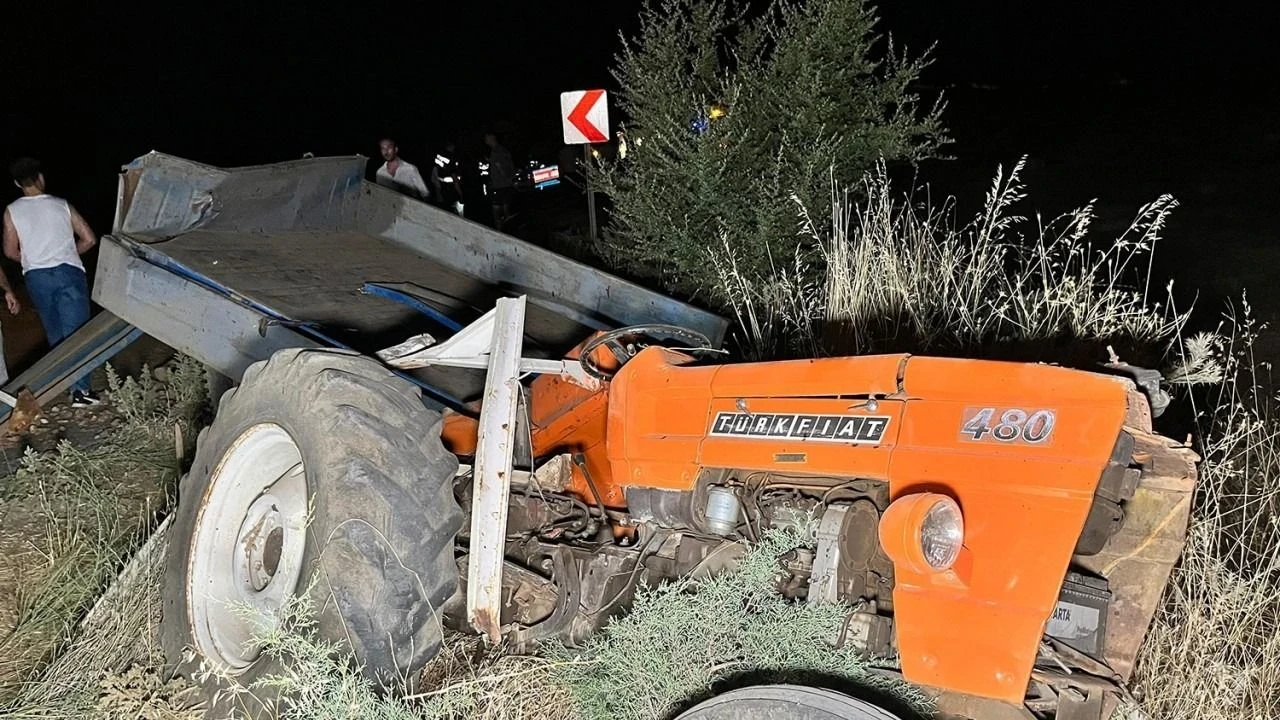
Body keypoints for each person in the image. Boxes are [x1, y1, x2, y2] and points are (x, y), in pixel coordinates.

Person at [2, 157, 100, 406]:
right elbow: (89, 239)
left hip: (36, 278)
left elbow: (10, 251)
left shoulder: (12, 211)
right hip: (68, 273)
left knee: (55, 332)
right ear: (41, 178)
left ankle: (65, 384)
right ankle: (81, 392)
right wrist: (66, 253)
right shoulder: (61, 205)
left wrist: (34, 258)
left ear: (17, 183)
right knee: (77, 331)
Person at [485, 132, 515, 229]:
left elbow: (501, 167)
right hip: (504, 185)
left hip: (500, 185)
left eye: (487, 138)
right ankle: (507, 228)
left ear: (492, 138)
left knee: (498, 211)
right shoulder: (502, 150)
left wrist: (506, 178)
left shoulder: (496, 151)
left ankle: (502, 231)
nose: (485, 140)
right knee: (505, 207)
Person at [431, 141, 464, 215]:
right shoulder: (452, 158)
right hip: (450, 190)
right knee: (453, 211)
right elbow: (454, 178)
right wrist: (460, 194)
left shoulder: (438, 155)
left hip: (439, 186)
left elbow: (434, 172)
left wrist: (437, 190)